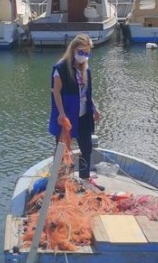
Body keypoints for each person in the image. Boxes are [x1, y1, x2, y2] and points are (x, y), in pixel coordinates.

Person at [49, 33, 103, 189]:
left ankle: (85, 180)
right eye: (81, 52)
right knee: (62, 149)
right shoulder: (60, 68)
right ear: (73, 49)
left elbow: (86, 92)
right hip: (67, 115)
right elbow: (56, 92)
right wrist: (61, 113)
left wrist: (94, 109)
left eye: (87, 53)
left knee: (86, 147)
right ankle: (60, 182)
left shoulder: (86, 68)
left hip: (83, 115)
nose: (84, 56)